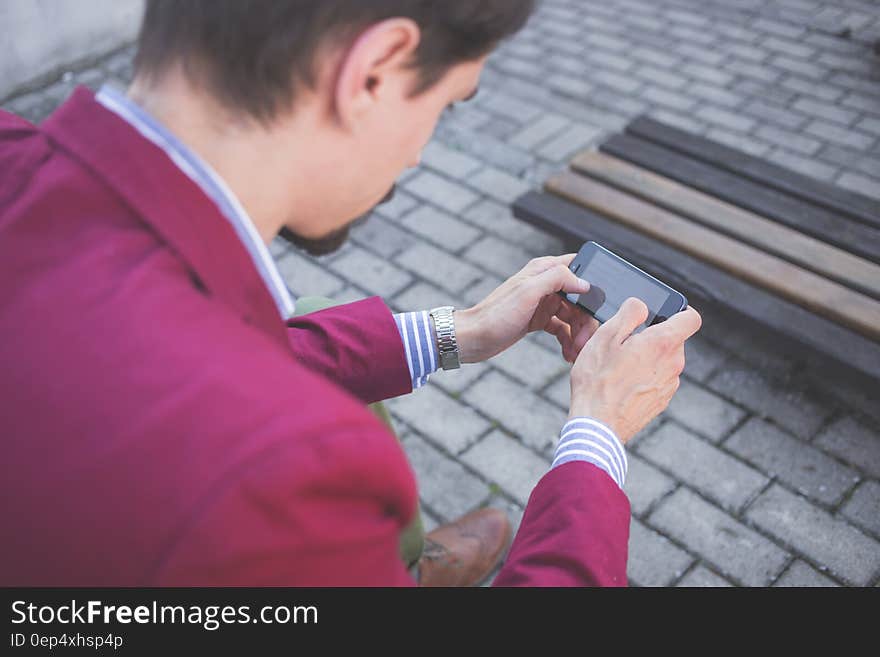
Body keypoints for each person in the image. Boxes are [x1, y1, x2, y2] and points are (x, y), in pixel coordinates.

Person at [0, 0, 701, 586]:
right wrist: (596, 434)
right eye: (445, 106)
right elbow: (231, 403)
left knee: (303, 318)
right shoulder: (282, 474)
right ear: (372, 74)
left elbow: (205, 359)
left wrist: (461, 329)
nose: (418, 153)